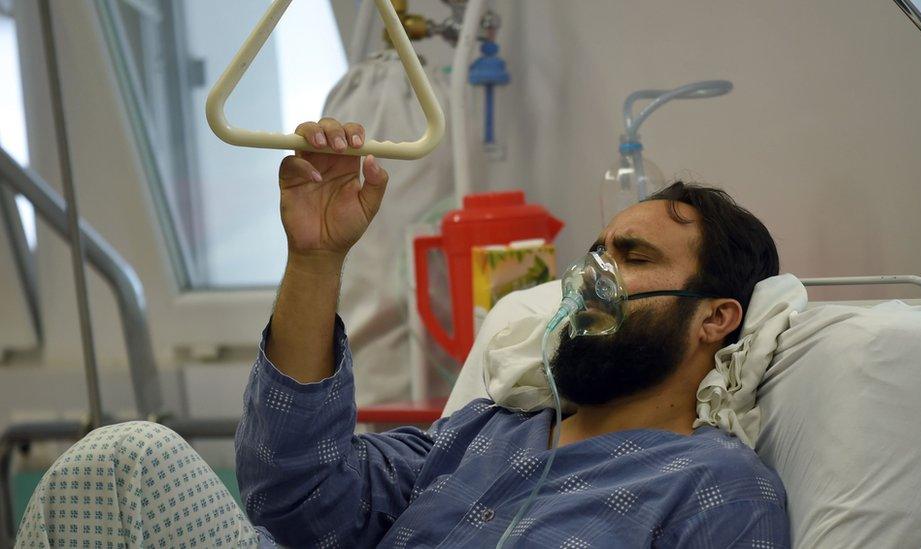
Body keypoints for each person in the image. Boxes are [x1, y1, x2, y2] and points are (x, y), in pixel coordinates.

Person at [16, 119, 789, 548]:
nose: (595, 275)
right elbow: (294, 497)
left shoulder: (714, 484)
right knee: (126, 458)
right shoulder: (484, 435)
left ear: (714, 316)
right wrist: (315, 258)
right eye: (596, 253)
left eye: (633, 256)